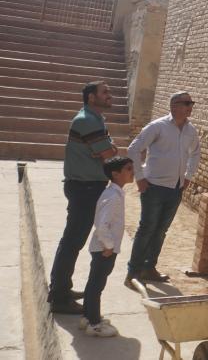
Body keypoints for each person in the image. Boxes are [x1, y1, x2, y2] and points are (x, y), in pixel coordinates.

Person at [49, 81, 117, 315]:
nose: (109, 95)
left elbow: (106, 152)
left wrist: (108, 150)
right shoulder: (87, 120)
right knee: (72, 242)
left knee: (73, 242)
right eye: (104, 92)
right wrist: (109, 150)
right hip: (84, 189)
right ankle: (59, 297)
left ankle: (62, 289)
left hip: (88, 188)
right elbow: (108, 154)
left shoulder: (96, 119)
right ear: (91, 97)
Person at [125, 91, 201, 285]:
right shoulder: (157, 127)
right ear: (174, 106)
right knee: (147, 229)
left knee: (160, 231)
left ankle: (149, 268)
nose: (190, 107)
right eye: (186, 103)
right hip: (154, 187)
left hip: (175, 189)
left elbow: (195, 153)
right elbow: (134, 149)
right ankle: (133, 272)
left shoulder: (190, 131)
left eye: (191, 103)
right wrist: (139, 177)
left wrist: (188, 176)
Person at [80, 156, 133, 338]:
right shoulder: (113, 197)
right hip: (104, 249)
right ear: (115, 174)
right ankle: (94, 325)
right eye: (128, 169)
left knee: (94, 283)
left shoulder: (115, 193)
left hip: (102, 247)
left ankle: (88, 317)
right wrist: (109, 246)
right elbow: (102, 225)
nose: (132, 172)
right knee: (97, 286)